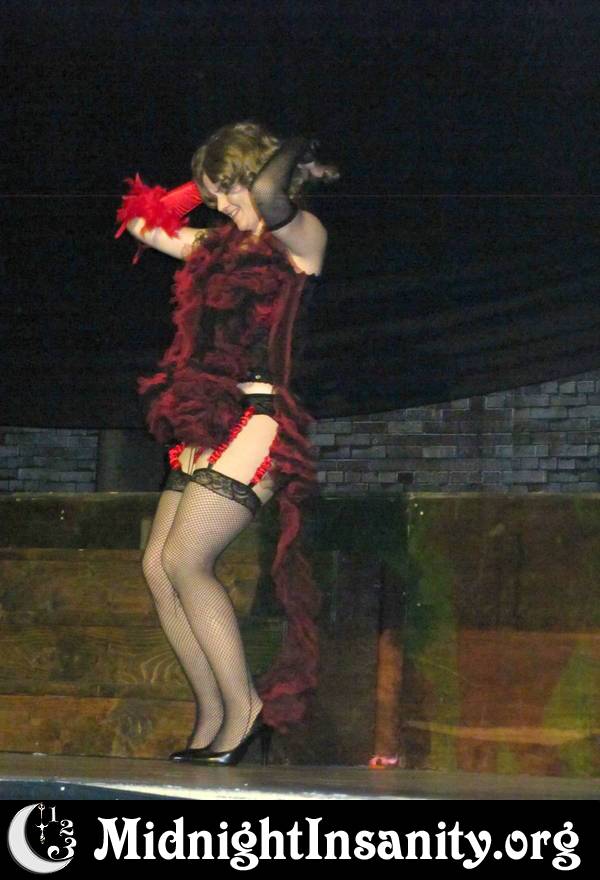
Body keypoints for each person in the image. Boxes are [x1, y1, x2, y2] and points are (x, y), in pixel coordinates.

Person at [115, 120, 338, 765]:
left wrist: (280, 157)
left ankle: (245, 711)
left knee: (187, 559)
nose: (221, 205)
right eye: (214, 196)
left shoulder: (303, 238)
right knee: (159, 568)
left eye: (229, 191)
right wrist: (206, 176)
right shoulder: (214, 246)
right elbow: (141, 222)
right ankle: (213, 715)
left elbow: (269, 196)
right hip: (209, 416)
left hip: (263, 417)